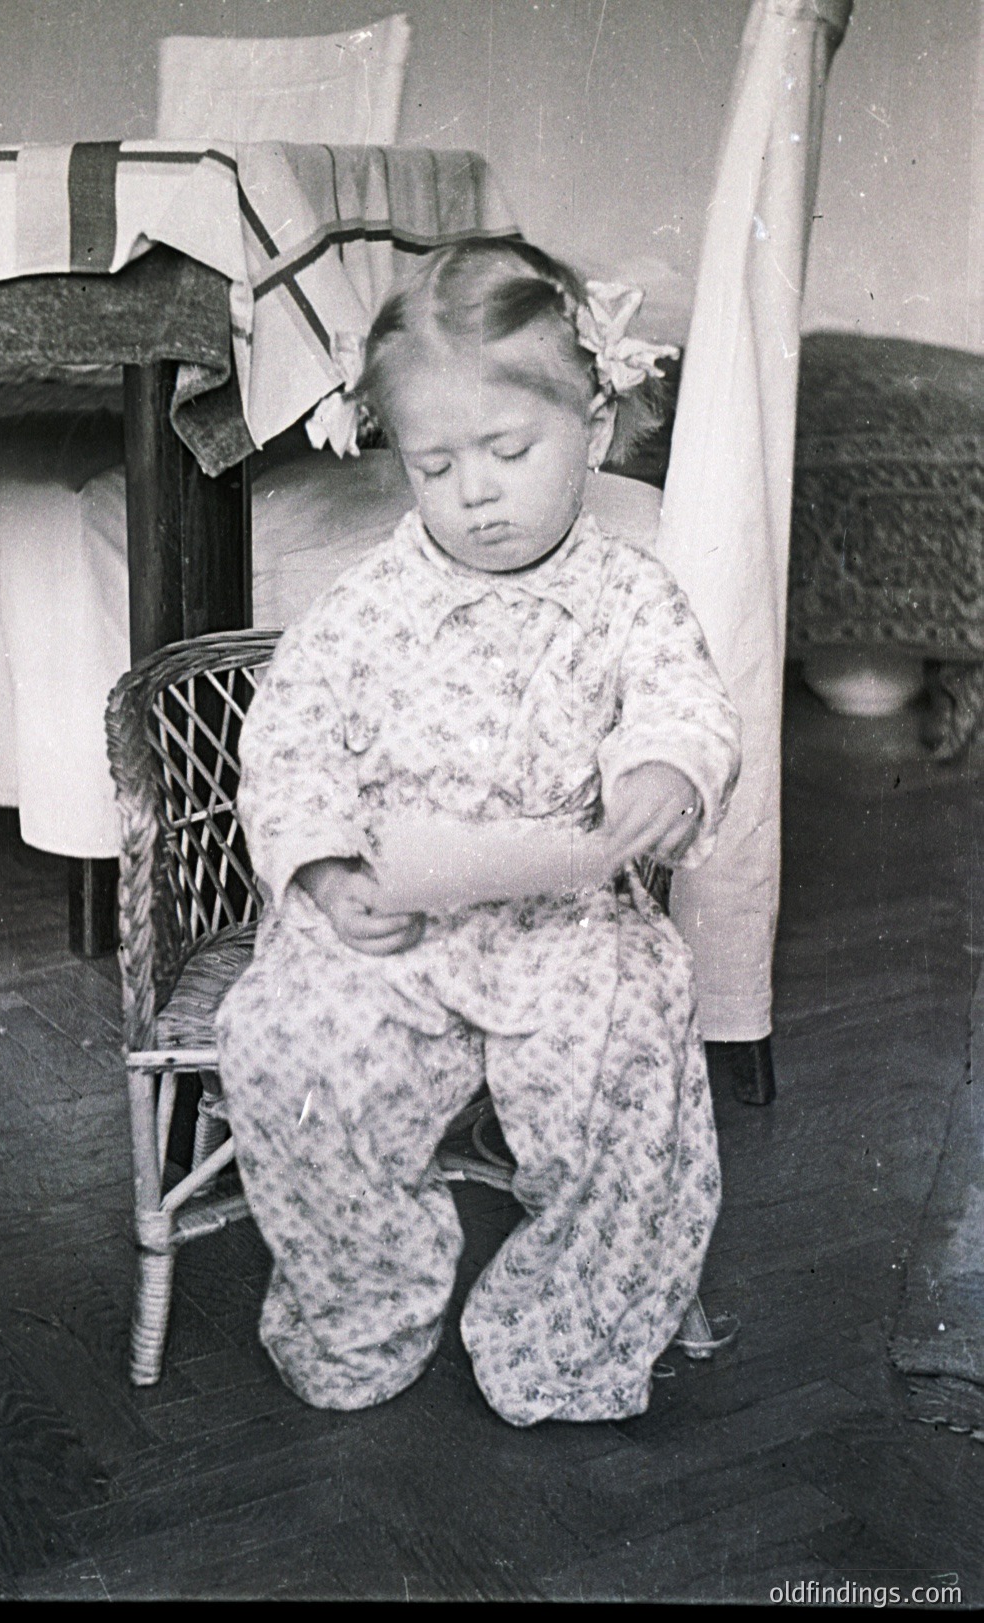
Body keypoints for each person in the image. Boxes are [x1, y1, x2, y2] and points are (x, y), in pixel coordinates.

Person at [215, 239, 742, 1427]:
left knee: (628, 1057)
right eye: (436, 464)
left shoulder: (631, 594)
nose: (476, 492)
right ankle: (364, 1302)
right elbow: (287, 750)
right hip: (396, 910)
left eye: (509, 452)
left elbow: (681, 703)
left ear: (594, 429)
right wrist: (326, 865)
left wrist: (666, 768)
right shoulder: (361, 609)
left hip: (560, 909)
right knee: (293, 1048)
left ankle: (562, 1334)